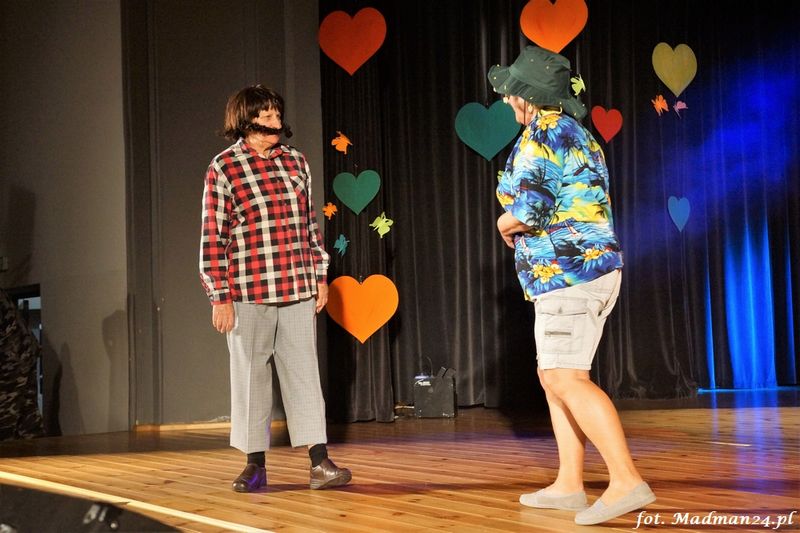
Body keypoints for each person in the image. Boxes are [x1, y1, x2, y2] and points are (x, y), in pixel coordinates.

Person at [487, 46, 656, 525]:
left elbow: (532, 209)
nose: (506, 100)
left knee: (566, 378)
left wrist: (504, 222)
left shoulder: (543, 132)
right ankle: (569, 484)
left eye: (510, 93)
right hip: (581, 272)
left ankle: (626, 480)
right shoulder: (575, 131)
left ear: (526, 96)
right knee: (554, 377)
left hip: (569, 273)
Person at [199, 85, 351, 492]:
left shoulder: (295, 162)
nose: (275, 122)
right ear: (245, 122)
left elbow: (309, 224)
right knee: (250, 377)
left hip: (297, 284)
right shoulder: (224, 167)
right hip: (248, 290)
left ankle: (319, 462)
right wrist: (219, 296)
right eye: (265, 116)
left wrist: (319, 274)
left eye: (276, 114)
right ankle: (255, 465)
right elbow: (213, 236)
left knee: (304, 374)